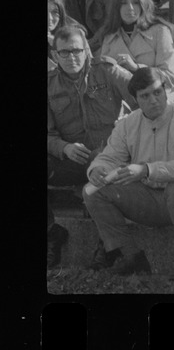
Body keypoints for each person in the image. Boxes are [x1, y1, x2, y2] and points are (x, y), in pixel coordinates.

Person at [83, 67, 174, 280]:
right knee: (93, 191)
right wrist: (98, 169)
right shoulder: (128, 123)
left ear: (166, 90)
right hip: (155, 197)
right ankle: (132, 257)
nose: (153, 100)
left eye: (157, 92)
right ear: (135, 99)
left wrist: (146, 170)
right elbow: (110, 157)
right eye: (145, 96)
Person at [47, 25, 133, 268]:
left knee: (101, 177)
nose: (71, 57)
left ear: (87, 50)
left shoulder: (107, 71)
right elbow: (47, 134)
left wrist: (127, 137)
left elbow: (143, 98)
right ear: (55, 56)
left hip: (110, 155)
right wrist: (63, 147)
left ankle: (107, 245)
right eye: (64, 52)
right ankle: (50, 231)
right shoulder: (49, 85)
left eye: (76, 50)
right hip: (74, 158)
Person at [97, 0, 174, 97]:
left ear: (143, 5)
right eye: (123, 3)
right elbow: (103, 78)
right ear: (116, 7)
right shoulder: (109, 35)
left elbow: (170, 78)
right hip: (121, 102)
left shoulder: (160, 31)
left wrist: (137, 68)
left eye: (135, 3)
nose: (130, 8)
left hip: (157, 99)